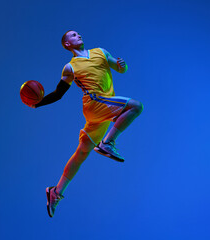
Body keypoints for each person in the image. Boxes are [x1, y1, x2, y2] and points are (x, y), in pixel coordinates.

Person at [30, 30, 143, 217]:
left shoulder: (100, 52)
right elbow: (58, 93)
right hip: (95, 103)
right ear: (67, 44)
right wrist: (37, 103)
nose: (78, 35)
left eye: (78, 33)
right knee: (136, 106)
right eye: (73, 35)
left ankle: (56, 192)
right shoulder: (70, 67)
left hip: (105, 108)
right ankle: (107, 143)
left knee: (82, 152)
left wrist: (122, 66)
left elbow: (119, 67)